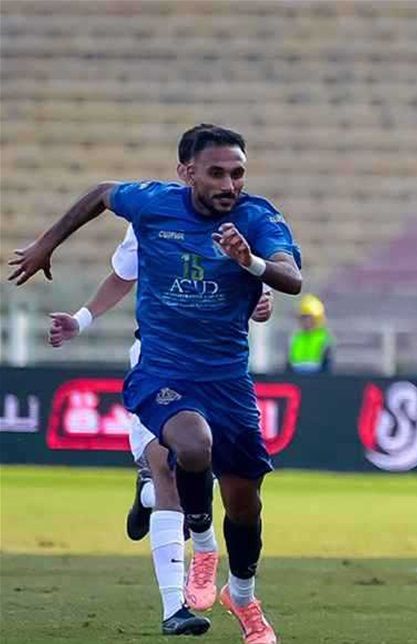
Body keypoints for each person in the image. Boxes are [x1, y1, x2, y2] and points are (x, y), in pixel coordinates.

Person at [9, 124, 302, 644]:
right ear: (186, 172)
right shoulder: (153, 206)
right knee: (191, 446)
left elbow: (291, 278)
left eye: (237, 173)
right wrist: (45, 244)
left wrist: (250, 264)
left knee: (245, 502)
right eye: (216, 173)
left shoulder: (257, 217)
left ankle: (241, 594)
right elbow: (101, 195)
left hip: (227, 378)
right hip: (162, 367)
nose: (229, 184)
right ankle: (202, 546)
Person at [50, 229, 272, 633]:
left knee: (213, 480)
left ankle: (148, 495)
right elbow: (122, 275)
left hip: (219, 370)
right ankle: (175, 609)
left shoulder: (243, 222)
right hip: (158, 364)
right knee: (168, 468)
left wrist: (260, 299)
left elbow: (257, 282)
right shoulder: (152, 216)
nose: (224, 193)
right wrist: (80, 321)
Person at [286, 294, 334, 374]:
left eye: (308, 317)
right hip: (296, 376)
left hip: (317, 377)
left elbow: (326, 365)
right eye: (303, 318)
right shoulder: (295, 337)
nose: (306, 321)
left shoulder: (324, 338)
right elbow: (289, 363)